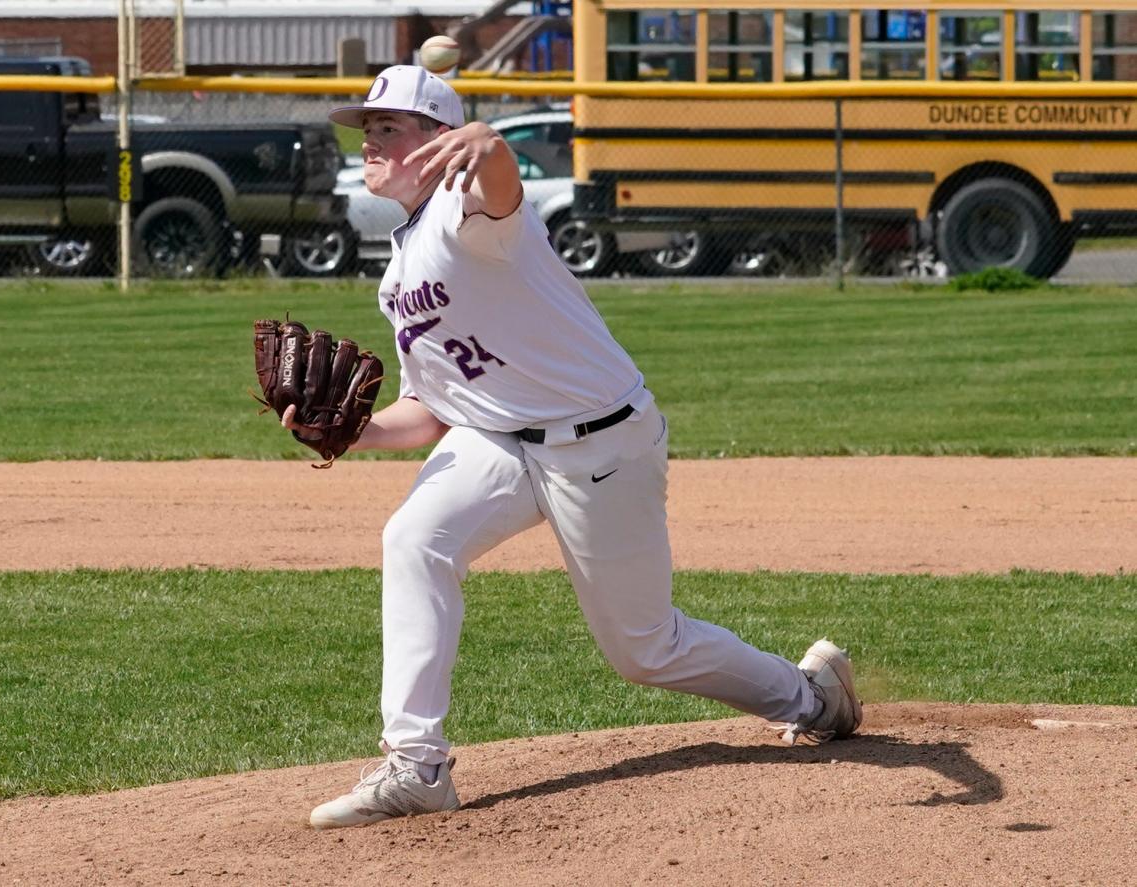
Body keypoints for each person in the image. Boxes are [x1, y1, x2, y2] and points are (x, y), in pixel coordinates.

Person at [285, 65, 862, 830]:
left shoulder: (470, 212)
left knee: (644, 650)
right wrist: (350, 430)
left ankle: (812, 694)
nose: (371, 141)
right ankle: (416, 764)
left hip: (600, 440)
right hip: (500, 440)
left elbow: (499, 183)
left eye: (389, 127)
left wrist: (490, 142)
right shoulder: (398, 270)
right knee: (414, 538)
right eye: (369, 129)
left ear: (436, 141)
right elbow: (431, 407)